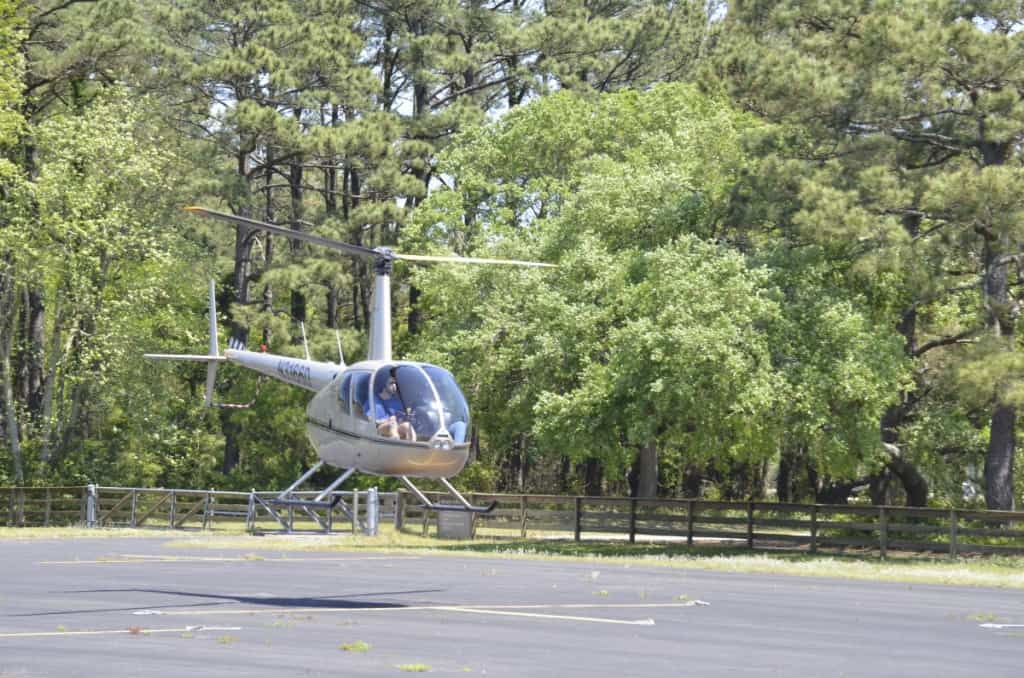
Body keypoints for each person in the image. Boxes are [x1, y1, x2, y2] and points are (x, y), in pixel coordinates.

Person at [374, 373, 416, 441]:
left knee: (407, 426)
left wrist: (409, 416)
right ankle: (396, 445)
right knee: (392, 424)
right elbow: (373, 420)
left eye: (396, 383)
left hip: (397, 425)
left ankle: (413, 448)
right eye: (391, 383)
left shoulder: (397, 401)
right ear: (383, 384)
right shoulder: (375, 400)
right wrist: (388, 420)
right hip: (381, 428)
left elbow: (402, 417)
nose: (395, 386)